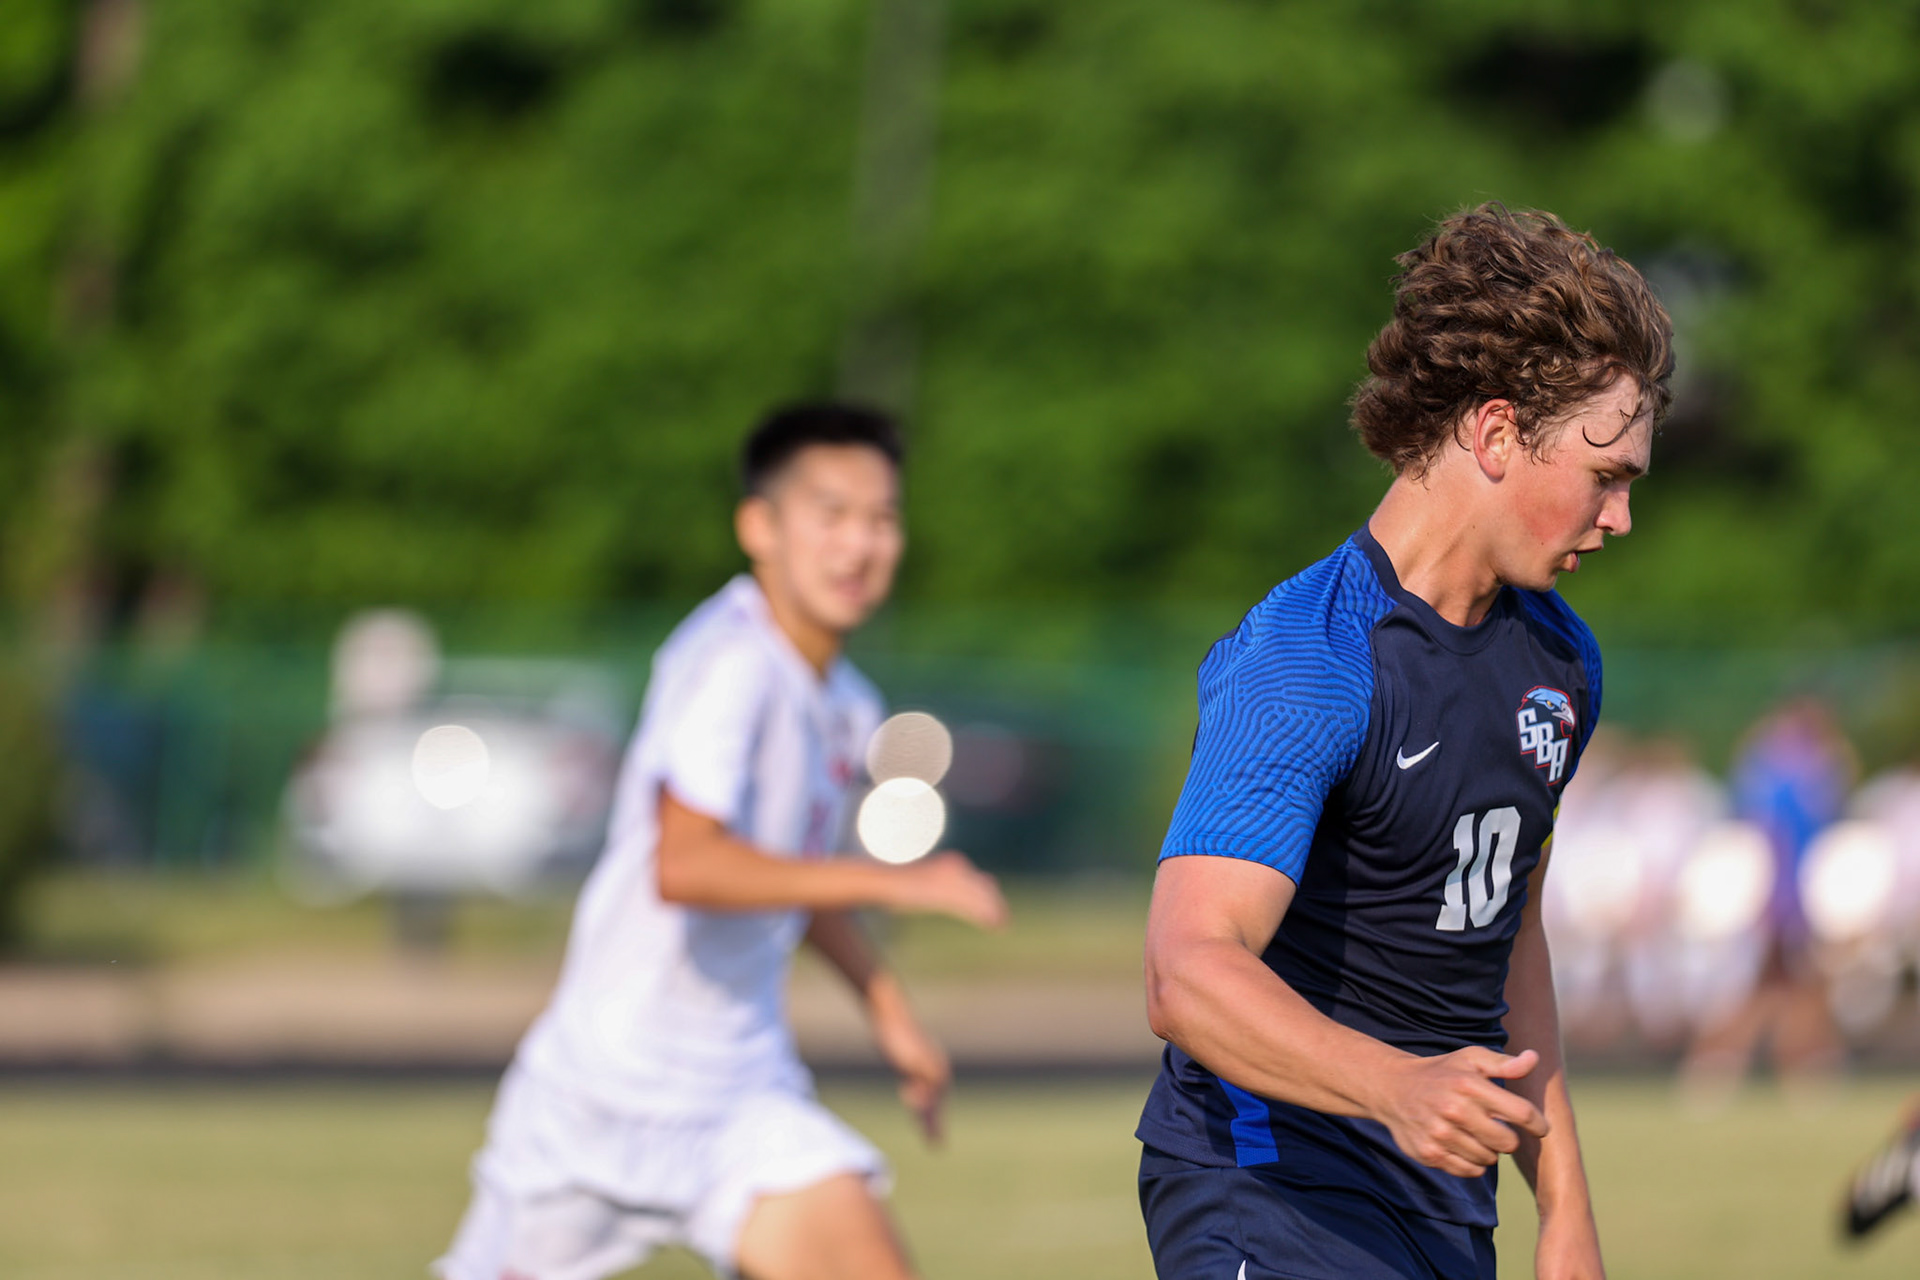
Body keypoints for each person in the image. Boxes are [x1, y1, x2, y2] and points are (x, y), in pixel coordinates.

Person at [1136, 204, 1673, 1280]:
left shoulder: (1562, 664)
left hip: (1439, 1212)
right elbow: (1186, 972)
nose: (1617, 519)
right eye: (1605, 473)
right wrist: (1397, 1085)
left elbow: (1506, 932)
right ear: (1493, 431)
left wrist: (1564, 1209)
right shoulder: (1309, 661)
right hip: (1268, 1194)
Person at [436, 403, 1008, 1280]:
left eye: (882, 518)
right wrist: (898, 884)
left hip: (740, 1097)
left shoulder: (847, 700)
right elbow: (688, 864)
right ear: (759, 527)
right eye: (833, 515)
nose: (860, 545)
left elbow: (792, 882)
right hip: (601, 1093)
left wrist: (889, 1013)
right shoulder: (731, 661)